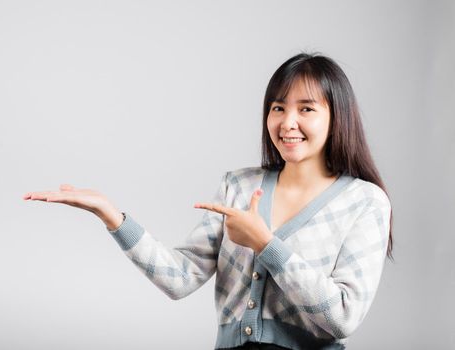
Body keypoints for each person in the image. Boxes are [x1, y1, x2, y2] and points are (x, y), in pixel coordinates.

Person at [23, 52, 393, 350]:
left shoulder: (364, 201)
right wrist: (113, 216)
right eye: (278, 108)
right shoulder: (239, 186)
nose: (287, 122)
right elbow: (180, 279)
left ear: (336, 117)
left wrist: (266, 244)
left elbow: (343, 316)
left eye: (306, 109)